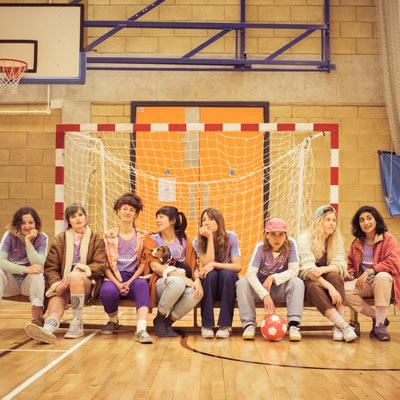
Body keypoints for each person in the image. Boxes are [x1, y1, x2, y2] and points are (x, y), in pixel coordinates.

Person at [25, 204, 106, 344]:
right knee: (55, 308)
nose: (78, 219)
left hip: (86, 284)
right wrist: (57, 285)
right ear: (69, 221)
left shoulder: (96, 239)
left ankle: (77, 322)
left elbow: (100, 265)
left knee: (75, 276)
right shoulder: (60, 239)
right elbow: (51, 267)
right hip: (64, 283)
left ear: (85, 218)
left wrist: (80, 269)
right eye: (73, 216)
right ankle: (47, 331)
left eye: (80, 215)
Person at [236, 218, 304, 341]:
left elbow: (294, 271)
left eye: (281, 234)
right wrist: (264, 295)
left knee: (297, 282)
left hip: (280, 289)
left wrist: (273, 277)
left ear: (286, 235)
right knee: (242, 283)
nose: (277, 238)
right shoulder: (260, 247)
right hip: (260, 289)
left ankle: (293, 326)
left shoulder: (291, 244)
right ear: (266, 235)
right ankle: (249, 325)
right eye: (273, 234)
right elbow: (250, 274)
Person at [298, 205, 357, 342]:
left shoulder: (336, 239)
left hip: (325, 275)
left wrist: (323, 270)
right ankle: (343, 325)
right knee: (314, 287)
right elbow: (307, 269)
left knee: (335, 277)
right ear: (319, 221)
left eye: (334, 220)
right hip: (308, 279)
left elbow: (340, 264)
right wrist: (329, 287)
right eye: (328, 220)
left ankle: (337, 327)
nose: (332, 223)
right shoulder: (304, 239)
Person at [100, 193, 154, 343]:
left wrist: (129, 282)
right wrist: (118, 284)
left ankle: (141, 329)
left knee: (143, 285)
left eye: (132, 210)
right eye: (124, 208)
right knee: (107, 291)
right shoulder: (108, 235)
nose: (127, 212)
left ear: (136, 214)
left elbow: (143, 263)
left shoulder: (143, 236)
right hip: (114, 278)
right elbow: (105, 265)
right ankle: (113, 320)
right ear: (118, 211)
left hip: (134, 278)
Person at [345, 205, 400, 341]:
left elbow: (394, 262)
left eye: (369, 218)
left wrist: (371, 271)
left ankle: (380, 326)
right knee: (342, 290)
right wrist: (351, 273)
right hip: (364, 283)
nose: (366, 222)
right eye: (362, 220)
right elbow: (350, 263)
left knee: (382, 276)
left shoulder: (388, 239)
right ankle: (378, 318)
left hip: (384, 282)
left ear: (376, 220)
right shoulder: (356, 242)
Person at [149, 206, 203, 337]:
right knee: (177, 282)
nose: (157, 220)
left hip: (181, 283)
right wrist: (184, 279)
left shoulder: (185, 241)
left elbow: (194, 265)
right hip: (160, 283)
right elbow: (156, 267)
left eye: (161, 217)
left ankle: (167, 323)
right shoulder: (152, 239)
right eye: (157, 217)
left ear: (173, 221)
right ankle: (160, 318)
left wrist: (197, 280)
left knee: (196, 293)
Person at [193, 208, 241, 339]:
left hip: (227, 283)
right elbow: (207, 263)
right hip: (211, 284)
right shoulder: (197, 241)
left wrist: (215, 265)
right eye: (204, 220)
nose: (206, 223)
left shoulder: (231, 237)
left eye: (211, 219)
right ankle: (206, 325)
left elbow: (237, 266)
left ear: (219, 222)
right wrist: (209, 238)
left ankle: (225, 325)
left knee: (226, 273)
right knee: (210, 275)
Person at [0, 207, 48, 326]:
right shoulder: (9, 235)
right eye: (23, 223)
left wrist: (28, 241)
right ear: (17, 224)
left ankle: (36, 319)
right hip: (11, 284)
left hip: (28, 284)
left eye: (30, 222)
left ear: (36, 223)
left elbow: (39, 263)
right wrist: (25, 269)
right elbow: (0, 261)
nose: (27, 226)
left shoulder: (42, 238)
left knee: (38, 273)